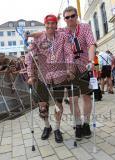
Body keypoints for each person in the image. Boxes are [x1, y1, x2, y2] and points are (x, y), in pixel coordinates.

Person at [26, 14, 74, 143]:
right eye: (48, 23)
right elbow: (29, 57)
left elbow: (69, 54)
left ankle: (57, 129)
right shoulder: (39, 38)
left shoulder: (62, 36)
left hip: (60, 76)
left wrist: (69, 68)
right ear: (45, 24)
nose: (51, 26)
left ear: (56, 24)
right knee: (42, 106)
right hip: (43, 76)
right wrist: (30, 75)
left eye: (53, 23)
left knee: (58, 105)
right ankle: (47, 127)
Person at [61, 6, 96, 139]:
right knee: (72, 99)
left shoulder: (85, 27)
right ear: (64, 19)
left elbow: (91, 44)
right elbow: (45, 32)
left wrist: (92, 61)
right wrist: (30, 35)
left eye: (72, 16)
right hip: (70, 70)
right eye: (67, 17)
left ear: (76, 16)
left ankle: (86, 124)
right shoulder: (62, 31)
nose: (70, 19)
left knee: (86, 97)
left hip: (84, 67)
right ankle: (78, 125)